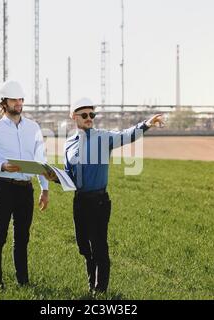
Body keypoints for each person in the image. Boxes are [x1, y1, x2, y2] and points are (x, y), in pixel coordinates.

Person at [46, 97, 164, 294]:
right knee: (84, 247)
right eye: (85, 115)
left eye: (92, 114)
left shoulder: (103, 137)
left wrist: (147, 124)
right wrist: (54, 177)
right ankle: (92, 284)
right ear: (74, 117)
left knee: (99, 247)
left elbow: (127, 135)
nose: (89, 118)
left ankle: (99, 291)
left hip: (99, 202)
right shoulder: (68, 144)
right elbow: (70, 176)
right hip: (80, 201)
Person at [0, 80, 50, 289]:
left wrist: (44, 189)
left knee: (22, 238)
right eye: (14, 100)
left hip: (25, 189)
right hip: (3, 187)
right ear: (4, 102)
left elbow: (41, 161)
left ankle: (23, 281)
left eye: (20, 99)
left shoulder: (33, 127)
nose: (18, 103)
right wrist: (2, 166)